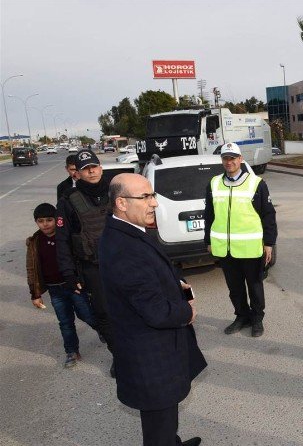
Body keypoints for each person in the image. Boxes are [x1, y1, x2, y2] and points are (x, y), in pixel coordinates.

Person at [99, 173, 206, 446]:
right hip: (149, 355)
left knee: (166, 415)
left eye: (152, 195)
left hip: (156, 350)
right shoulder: (123, 248)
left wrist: (178, 281)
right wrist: (188, 313)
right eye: (145, 196)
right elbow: (155, 311)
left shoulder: (130, 231)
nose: (154, 203)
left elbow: (158, 269)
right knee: (158, 423)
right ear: (121, 203)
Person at [204, 142, 277, 337]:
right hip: (225, 249)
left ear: (240, 159)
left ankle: (257, 319)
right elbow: (209, 215)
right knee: (234, 288)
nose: (229, 162)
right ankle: (241, 316)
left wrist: (269, 243)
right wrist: (208, 241)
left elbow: (268, 215)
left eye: (232, 158)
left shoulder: (256, 184)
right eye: (225, 158)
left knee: (254, 287)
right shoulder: (214, 183)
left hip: (250, 248)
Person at [56, 149, 115, 375]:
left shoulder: (116, 191)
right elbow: (62, 242)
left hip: (122, 263)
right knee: (104, 314)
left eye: (94, 166)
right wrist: (69, 274)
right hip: (93, 267)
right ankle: (118, 355)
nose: (91, 171)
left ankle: (135, 350)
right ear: (77, 174)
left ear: (100, 167)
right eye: (85, 169)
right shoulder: (68, 201)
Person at [26, 203, 97, 368]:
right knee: (65, 322)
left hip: (72, 285)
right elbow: (32, 269)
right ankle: (71, 351)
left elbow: (78, 259)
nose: (45, 224)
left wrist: (81, 279)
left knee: (87, 314)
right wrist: (35, 294)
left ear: (56, 220)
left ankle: (105, 332)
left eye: (49, 220)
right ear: (36, 222)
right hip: (54, 289)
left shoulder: (65, 237)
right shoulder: (34, 242)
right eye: (41, 221)